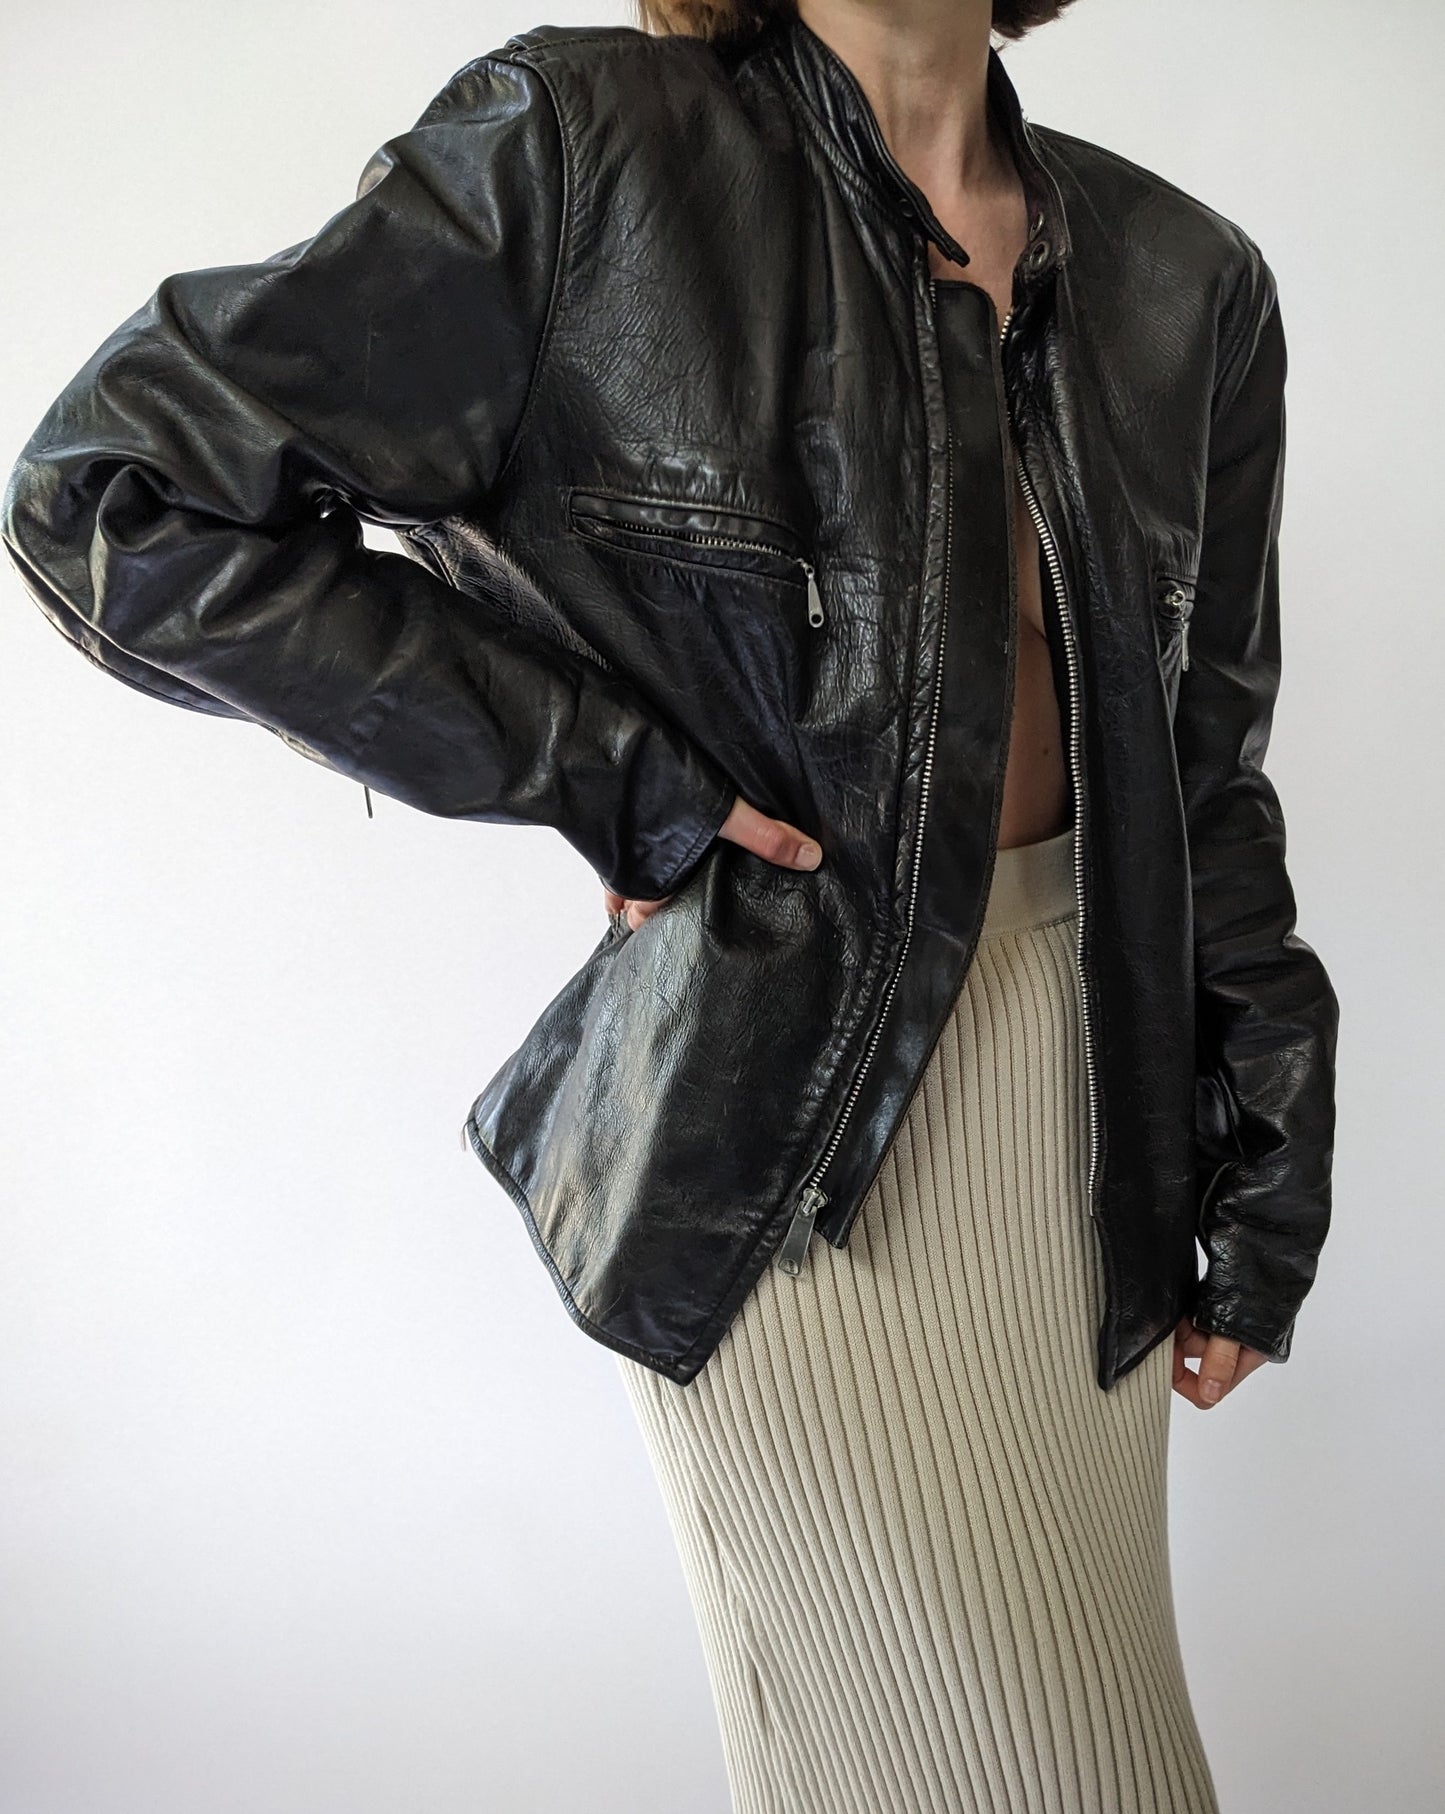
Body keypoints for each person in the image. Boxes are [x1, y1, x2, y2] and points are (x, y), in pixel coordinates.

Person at [2, 0, 1338, 1807]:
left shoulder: (1187, 278)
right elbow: (118, 495)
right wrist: (608, 775)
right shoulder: (584, 149)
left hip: (1094, 1138)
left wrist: (1270, 1139)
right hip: (780, 1147)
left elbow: (1205, 769)